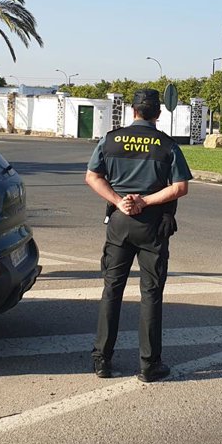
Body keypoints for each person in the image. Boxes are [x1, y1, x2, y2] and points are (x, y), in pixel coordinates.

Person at [85, 88, 192, 382]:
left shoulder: (111, 140)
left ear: (132, 111)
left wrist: (119, 201)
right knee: (151, 293)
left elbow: (92, 176)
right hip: (152, 226)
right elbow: (180, 187)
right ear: (158, 113)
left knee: (112, 290)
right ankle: (149, 364)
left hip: (120, 222)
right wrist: (145, 201)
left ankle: (102, 360)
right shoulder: (167, 145)